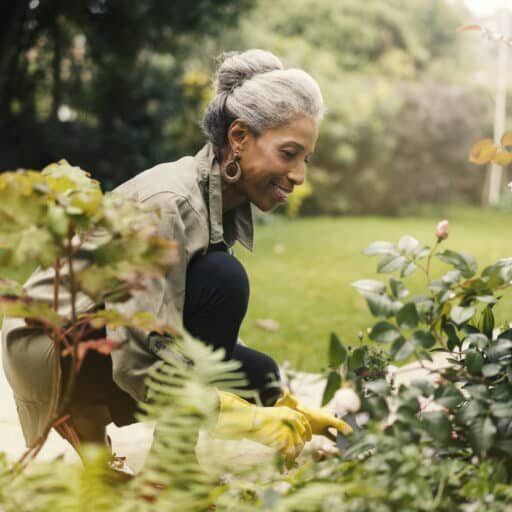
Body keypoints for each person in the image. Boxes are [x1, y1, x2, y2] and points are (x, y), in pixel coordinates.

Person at [1, 49, 351, 466]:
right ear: (238, 138)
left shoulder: (220, 200)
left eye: (305, 159)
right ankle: (158, 457)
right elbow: (136, 359)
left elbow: (197, 326)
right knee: (224, 279)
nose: (298, 176)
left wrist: (281, 402)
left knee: (258, 370)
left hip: (95, 331)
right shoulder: (168, 203)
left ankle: (98, 419)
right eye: (289, 154)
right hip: (48, 347)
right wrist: (245, 419)